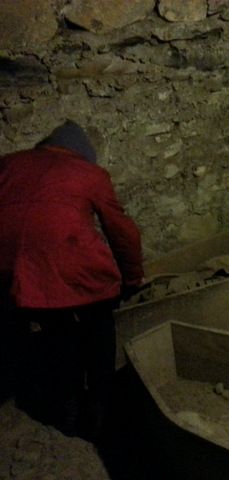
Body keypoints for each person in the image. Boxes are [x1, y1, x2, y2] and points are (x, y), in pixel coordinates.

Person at [0, 119, 144, 441]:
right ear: (81, 153)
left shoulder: (7, 165)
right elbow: (123, 232)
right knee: (100, 330)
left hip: (19, 274)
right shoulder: (89, 174)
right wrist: (132, 279)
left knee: (59, 335)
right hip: (71, 265)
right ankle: (99, 409)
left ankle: (68, 407)